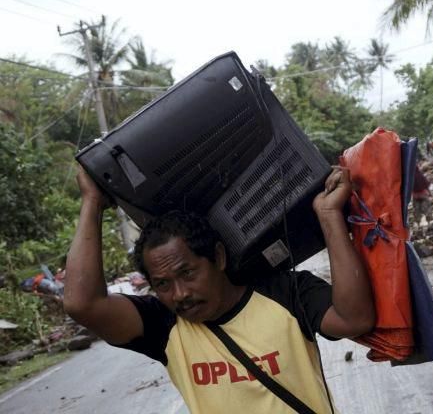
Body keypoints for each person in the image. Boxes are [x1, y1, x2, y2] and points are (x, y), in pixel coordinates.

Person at [63, 166, 374, 414]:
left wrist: (329, 216)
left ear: (219, 257)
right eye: (162, 284)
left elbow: (354, 319)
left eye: (187, 273)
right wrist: (92, 202)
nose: (180, 293)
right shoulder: (163, 326)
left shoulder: (285, 292)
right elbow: (82, 304)